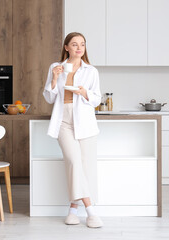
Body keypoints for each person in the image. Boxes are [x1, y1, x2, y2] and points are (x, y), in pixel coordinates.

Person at [43, 32, 103, 228]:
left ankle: (72, 210)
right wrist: (54, 79)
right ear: (66, 47)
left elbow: (97, 99)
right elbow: (50, 98)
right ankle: (91, 211)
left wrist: (84, 92)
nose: (79, 48)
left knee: (82, 168)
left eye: (82, 44)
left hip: (84, 123)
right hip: (63, 122)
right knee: (74, 161)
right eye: (75, 44)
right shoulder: (56, 67)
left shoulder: (91, 71)